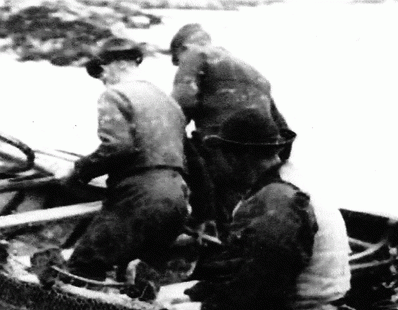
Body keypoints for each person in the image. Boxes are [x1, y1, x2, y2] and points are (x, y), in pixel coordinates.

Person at [179, 109, 350, 310]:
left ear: (239, 156)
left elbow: (265, 288)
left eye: (223, 154)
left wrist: (212, 304)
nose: (221, 163)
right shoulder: (290, 180)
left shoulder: (277, 198)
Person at [56, 37, 190, 282]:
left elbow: (117, 147)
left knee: (82, 267)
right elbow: (194, 161)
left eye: (101, 72)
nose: (102, 80)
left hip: (140, 196)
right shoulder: (168, 101)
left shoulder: (115, 95)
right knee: (140, 279)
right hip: (177, 198)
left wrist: (77, 172)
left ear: (114, 65)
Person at [169, 23, 293, 233]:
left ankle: (200, 221)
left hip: (222, 152)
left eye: (176, 61)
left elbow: (179, 108)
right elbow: (282, 127)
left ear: (182, 48)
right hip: (259, 158)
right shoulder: (253, 70)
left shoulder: (194, 53)